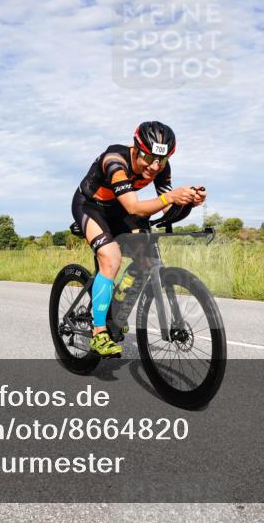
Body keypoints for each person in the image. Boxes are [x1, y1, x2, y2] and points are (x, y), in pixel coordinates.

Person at [72, 121, 205, 357]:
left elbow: (167, 212)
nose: (155, 166)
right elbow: (134, 207)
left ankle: (116, 307)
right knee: (111, 258)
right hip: (91, 206)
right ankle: (99, 331)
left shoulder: (161, 167)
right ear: (136, 148)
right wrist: (171, 197)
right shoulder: (115, 160)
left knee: (147, 258)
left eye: (161, 160)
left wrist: (187, 203)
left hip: (119, 209)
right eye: (149, 157)